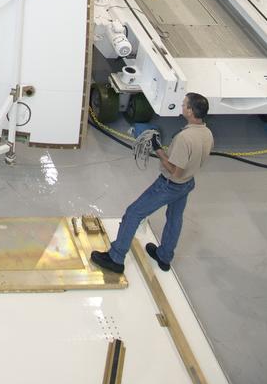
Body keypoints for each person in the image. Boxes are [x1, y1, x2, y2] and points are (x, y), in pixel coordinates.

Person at [91, 92, 213, 274]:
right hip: (187, 183)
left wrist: (157, 149)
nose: (182, 106)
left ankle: (116, 258)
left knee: (133, 213)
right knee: (174, 219)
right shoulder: (207, 133)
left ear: (190, 110)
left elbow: (174, 170)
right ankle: (164, 256)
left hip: (170, 185)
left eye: (184, 104)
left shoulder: (185, 138)